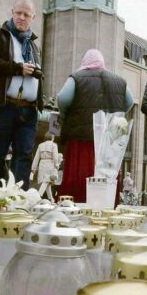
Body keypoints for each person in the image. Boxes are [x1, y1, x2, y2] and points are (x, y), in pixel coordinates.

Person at [0, 0, 43, 191]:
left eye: (26, 15)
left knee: (24, 155)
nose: (21, 18)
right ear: (12, 13)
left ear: (33, 17)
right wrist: (17, 68)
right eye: (18, 13)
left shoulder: (33, 45)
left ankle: (19, 200)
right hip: (3, 106)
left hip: (29, 109)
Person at [56, 49, 133, 203]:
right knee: (106, 180)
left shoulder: (77, 77)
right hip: (109, 142)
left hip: (81, 138)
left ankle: (76, 207)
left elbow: (62, 98)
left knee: (81, 174)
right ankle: (105, 210)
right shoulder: (119, 81)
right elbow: (129, 102)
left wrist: (65, 115)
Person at [31, 134, 61, 201]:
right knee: (46, 181)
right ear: (52, 138)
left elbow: (36, 157)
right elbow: (55, 156)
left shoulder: (40, 145)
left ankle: (51, 199)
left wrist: (34, 168)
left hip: (42, 164)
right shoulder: (54, 145)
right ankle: (37, 197)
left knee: (47, 182)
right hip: (50, 164)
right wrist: (57, 165)